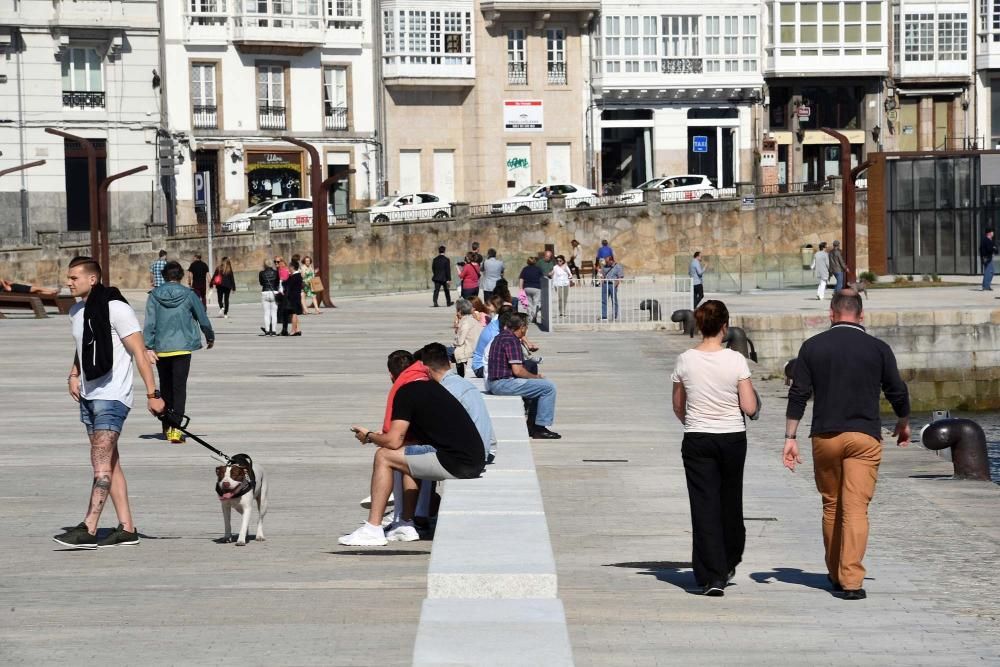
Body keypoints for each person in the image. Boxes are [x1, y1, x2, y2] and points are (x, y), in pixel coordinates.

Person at [784, 289, 911, 601]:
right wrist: (904, 421)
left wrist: (790, 437)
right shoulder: (878, 349)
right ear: (861, 315)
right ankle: (850, 579)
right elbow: (897, 389)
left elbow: (799, 393)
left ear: (831, 314)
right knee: (855, 508)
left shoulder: (812, 346)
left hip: (825, 436)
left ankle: (834, 572)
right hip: (864, 436)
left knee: (831, 505)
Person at [53, 256, 165, 549]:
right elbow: (82, 346)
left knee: (100, 462)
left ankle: (88, 528)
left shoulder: (117, 309)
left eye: (74, 277)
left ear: (92, 279)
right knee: (111, 462)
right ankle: (127, 529)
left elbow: (140, 353)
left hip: (112, 396)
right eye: (68, 277)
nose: (69, 282)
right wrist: (73, 373)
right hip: (89, 395)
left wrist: (153, 394)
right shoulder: (76, 311)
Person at [340, 350, 486, 547]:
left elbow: (392, 442)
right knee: (411, 452)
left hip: (457, 463)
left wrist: (368, 436)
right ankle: (405, 525)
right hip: (472, 459)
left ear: (392, 376)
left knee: (383, 456)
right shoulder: (430, 387)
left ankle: (373, 528)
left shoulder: (406, 392)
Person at [671, 300, 759, 596]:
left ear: (699, 325)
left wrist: (693, 420)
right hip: (732, 437)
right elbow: (748, 406)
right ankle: (729, 558)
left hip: (697, 437)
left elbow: (678, 405)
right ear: (725, 327)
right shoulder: (736, 360)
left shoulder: (685, 359)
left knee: (703, 505)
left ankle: (712, 575)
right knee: (730, 500)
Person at [143, 261, 215, 443]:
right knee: (179, 388)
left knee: (166, 387)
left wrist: (148, 346)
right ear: (181, 276)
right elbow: (202, 316)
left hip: (162, 348)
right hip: (182, 347)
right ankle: (175, 429)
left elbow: (149, 323)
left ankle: (167, 425)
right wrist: (209, 335)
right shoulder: (189, 294)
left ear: (164, 276)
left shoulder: (153, 296)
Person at [486, 312, 561, 440]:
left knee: (539, 387)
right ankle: (539, 428)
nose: (526, 329)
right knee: (548, 387)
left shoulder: (502, 336)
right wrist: (536, 377)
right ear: (521, 327)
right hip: (503, 384)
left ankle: (532, 425)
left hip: (495, 381)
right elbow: (518, 371)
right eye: (526, 326)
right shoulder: (512, 340)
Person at [420, 342, 496, 463]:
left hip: (474, 455)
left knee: (400, 453)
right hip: (488, 449)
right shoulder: (464, 383)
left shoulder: (445, 390)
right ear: (449, 363)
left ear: (427, 369)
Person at [471, 297, 510, 378]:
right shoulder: (494, 332)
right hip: (481, 368)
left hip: (486, 364)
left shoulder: (496, 323)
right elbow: (495, 356)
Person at [453, 299, 484, 377]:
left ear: (459, 311)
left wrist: (454, 343)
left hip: (470, 349)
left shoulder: (465, 322)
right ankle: (460, 375)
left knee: (447, 352)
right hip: (475, 347)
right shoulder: (472, 320)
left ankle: (460, 375)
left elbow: (460, 341)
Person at [281, 259, 304, 336]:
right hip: (297, 297)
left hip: (293, 298)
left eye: (289, 267)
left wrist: (283, 282)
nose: (288, 269)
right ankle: (298, 329)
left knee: (294, 313)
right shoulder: (298, 276)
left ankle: (293, 330)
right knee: (295, 313)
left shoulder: (294, 276)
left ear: (293, 267)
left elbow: (287, 285)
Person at [518, 256, 543, 324]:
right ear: (535, 262)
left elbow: (521, 279)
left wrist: (520, 288)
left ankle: (529, 317)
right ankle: (533, 317)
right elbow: (542, 278)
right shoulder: (538, 269)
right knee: (536, 303)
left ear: (528, 262)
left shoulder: (525, 269)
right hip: (537, 288)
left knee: (529, 304)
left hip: (527, 288)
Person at [258, 259, 280, 336]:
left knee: (266, 313)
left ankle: (267, 331)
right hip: (274, 292)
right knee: (274, 313)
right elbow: (277, 282)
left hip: (265, 292)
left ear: (264, 265)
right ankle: (273, 331)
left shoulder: (261, 273)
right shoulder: (276, 272)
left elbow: (261, 283)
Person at [600, 255, 624, 321]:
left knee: (614, 301)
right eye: (606, 262)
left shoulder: (618, 266)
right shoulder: (604, 266)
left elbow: (620, 276)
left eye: (607, 262)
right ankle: (604, 316)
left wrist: (616, 284)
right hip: (605, 284)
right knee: (604, 301)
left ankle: (615, 316)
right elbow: (602, 274)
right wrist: (602, 280)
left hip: (612, 284)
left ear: (611, 261)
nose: (606, 263)